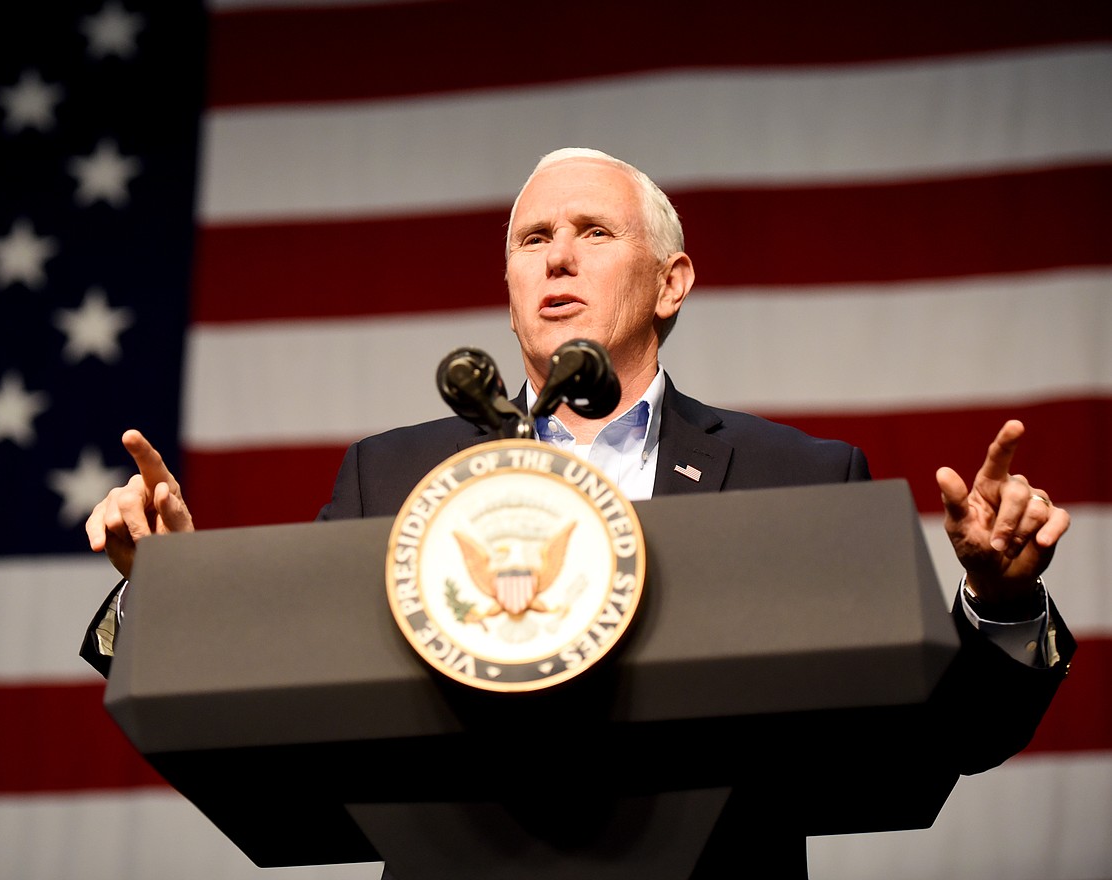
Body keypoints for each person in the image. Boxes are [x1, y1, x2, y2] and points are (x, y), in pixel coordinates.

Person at [81, 148, 1075, 877]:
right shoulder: (390, 479)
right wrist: (177, 595)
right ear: (510, 292)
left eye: (593, 233)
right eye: (533, 240)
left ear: (673, 281)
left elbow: (932, 742)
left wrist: (998, 602)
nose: (558, 258)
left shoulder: (798, 474)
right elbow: (289, 718)